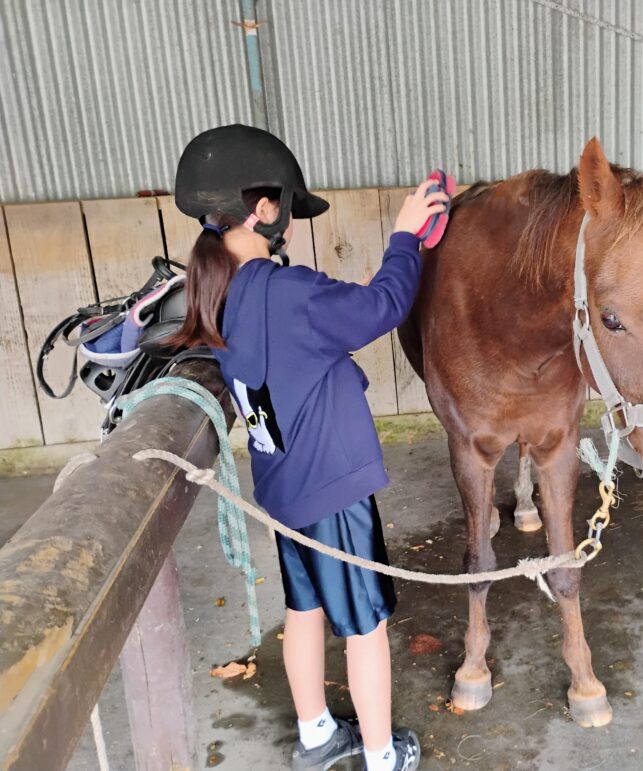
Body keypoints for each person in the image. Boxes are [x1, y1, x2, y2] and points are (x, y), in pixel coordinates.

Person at [169, 124, 448, 771]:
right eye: (288, 210)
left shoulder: (219, 293)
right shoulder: (287, 290)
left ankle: (318, 733)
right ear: (262, 209)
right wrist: (405, 235)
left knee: (304, 609)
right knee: (365, 626)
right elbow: (383, 304)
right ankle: (382, 754)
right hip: (335, 490)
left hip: (285, 488)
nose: (291, 225)